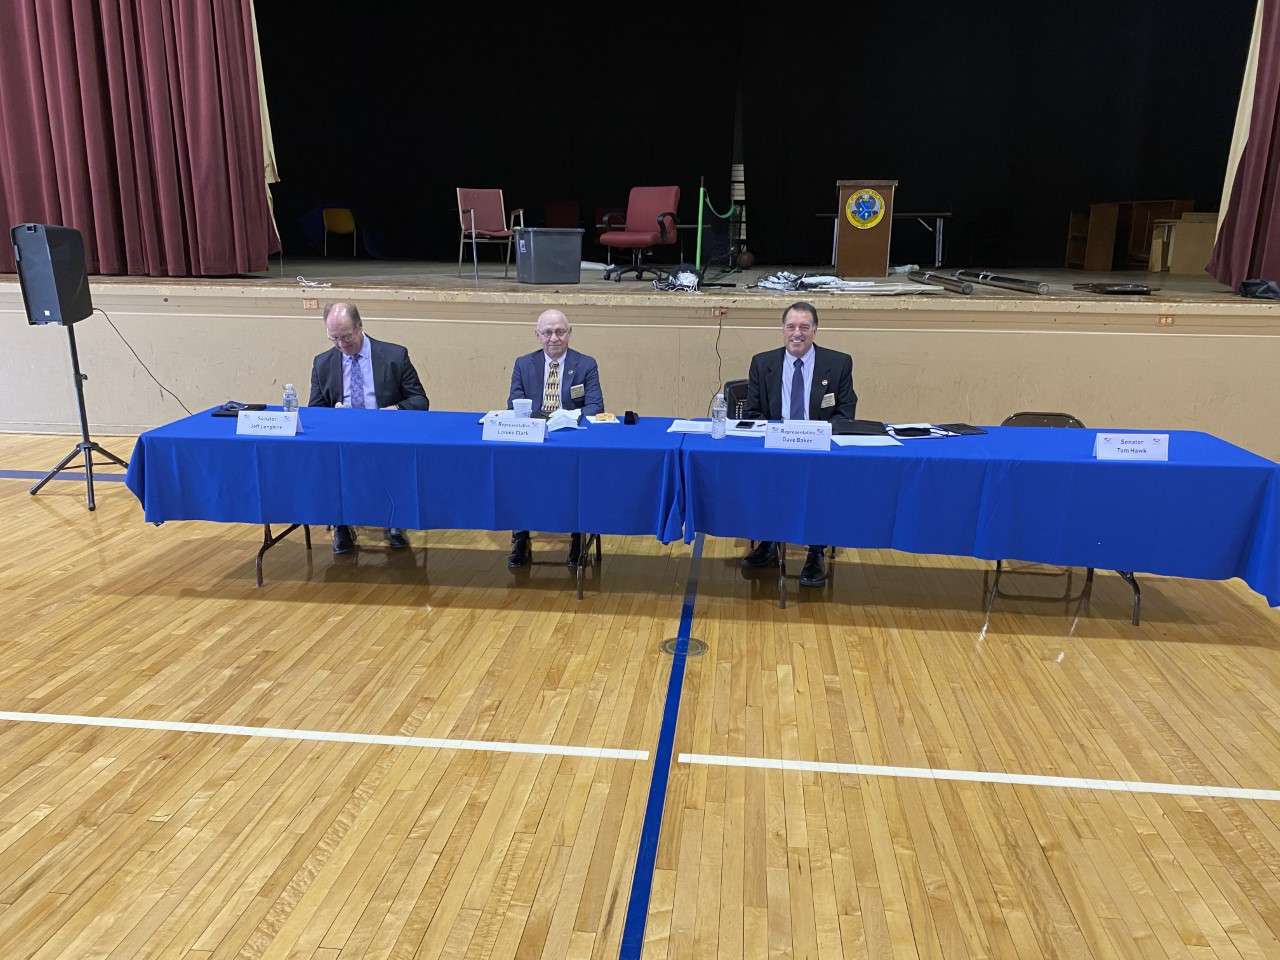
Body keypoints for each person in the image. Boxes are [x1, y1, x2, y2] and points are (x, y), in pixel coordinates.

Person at [741, 301, 856, 587]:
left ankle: (815, 552)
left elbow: (846, 412)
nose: (797, 333)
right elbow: (753, 412)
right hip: (777, 445)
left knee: (820, 480)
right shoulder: (763, 362)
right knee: (764, 475)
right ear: (783, 329)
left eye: (804, 327)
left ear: (815, 331)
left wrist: (819, 436)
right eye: (791, 326)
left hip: (818, 448)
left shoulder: (838, 363)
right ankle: (768, 540)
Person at [308, 302, 429, 554]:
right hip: (344, 436)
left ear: (360, 326)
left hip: (386, 433)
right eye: (334, 338)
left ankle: (396, 520)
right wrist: (334, 416)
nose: (341, 345)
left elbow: (420, 401)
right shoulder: (322, 363)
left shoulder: (394, 356)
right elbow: (314, 412)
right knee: (327, 458)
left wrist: (391, 412)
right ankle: (341, 524)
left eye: (347, 337)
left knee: (396, 456)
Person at [505, 308, 604, 570]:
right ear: (537, 335)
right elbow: (514, 402)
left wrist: (567, 418)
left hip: (571, 437)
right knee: (516, 472)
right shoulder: (523, 364)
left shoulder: (586, 364)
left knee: (575, 476)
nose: (554, 338)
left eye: (560, 331)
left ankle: (576, 536)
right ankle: (521, 537)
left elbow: (595, 406)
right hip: (535, 436)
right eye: (547, 332)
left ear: (569, 334)